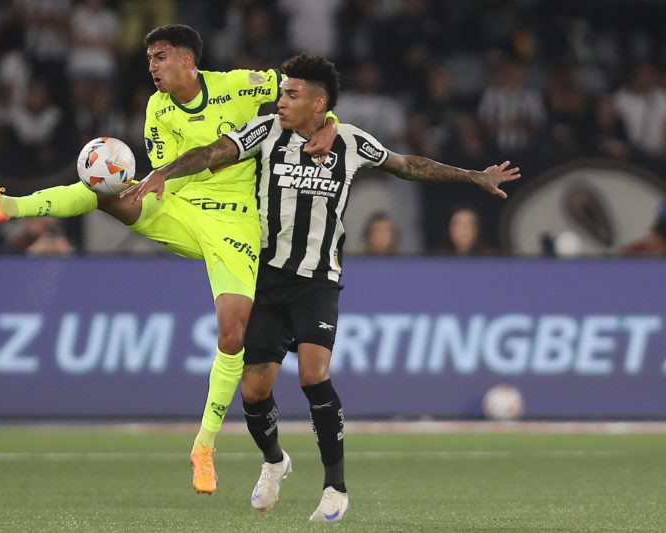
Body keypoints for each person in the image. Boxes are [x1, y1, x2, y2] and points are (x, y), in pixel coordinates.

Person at [123, 53, 521, 521]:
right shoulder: (266, 132)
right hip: (265, 277)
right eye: (282, 92)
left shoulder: (350, 141)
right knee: (253, 391)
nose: (281, 100)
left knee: (314, 375)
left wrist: (474, 176)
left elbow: (407, 165)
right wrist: (161, 173)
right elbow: (212, 153)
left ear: (319, 103)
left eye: (291, 95)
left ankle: (335, 487)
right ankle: (274, 461)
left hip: (317, 279)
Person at [0, 24, 338, 494]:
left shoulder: (239, 84)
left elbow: (307, 94)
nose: (153, 67)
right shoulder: (157, 109)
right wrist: (149, 188)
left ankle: (204, 446)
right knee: (105, 190)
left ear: (187, 60)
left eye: (160, 57)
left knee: (233, 335)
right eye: (149, 59)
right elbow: (168, 172)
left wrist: (333, 123)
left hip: (235, 221)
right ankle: (7, 205)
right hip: (176, 204)